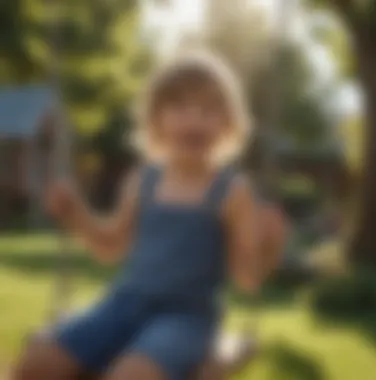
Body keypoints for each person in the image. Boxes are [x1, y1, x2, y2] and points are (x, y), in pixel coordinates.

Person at [14, 51, 265, 380]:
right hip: (123, 304)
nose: (194, 120)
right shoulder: (142, 181)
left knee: (130, 375)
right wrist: (76, 214)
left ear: (229, 123)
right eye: (179, 108)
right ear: (156, 119)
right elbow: (110, 248)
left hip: (186, 317)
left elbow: (247, 279)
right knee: (36, 362)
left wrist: (266, 247)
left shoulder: (233, 191)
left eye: (209, 110)